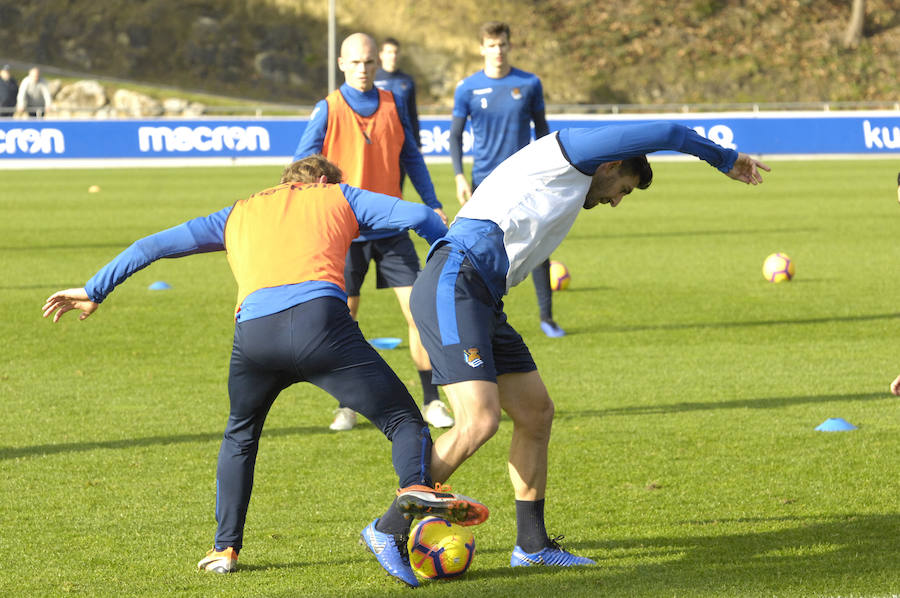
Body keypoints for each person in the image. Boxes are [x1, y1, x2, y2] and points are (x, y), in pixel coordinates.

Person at [41, 154, 489, 587]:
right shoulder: (339, 196)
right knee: (403, 421)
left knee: (241, 434)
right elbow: (420, 215)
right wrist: (443, 262)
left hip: (255, 337)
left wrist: (95, 288)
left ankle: (223, 551)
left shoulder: (238, 212)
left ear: (284, 181)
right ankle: (414, 489)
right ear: (325, 183)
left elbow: (151, 245)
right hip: (322, 327)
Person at [410, 122, 771, 567]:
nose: (616, 201)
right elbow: (673, 132)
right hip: (456, 280)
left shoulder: (576, 177)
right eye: (622, 189)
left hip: (483, 295)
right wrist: (726, 159)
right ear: (611, 165)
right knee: (478, 422)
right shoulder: (571, 152)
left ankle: (533, 547)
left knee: (536, 413)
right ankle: (388, 525)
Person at [294, 32, 455, 432]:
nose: (364, 69)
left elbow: (411, 156)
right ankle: (346, 405)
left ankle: (431, 400)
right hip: (345, 232)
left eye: (369, 62)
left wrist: (432, 200)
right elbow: (300, 164)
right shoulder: (328, 108)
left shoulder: (392, 102)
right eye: (356, 62)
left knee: (419, 311)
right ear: (342, 64)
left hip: (391, 228)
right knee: (344, 319)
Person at [449, 21, 563, 339]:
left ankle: (547, 318)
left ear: (509, 46)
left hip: (526, 178)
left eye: (502, 45)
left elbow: (543, 133)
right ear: (481, 48)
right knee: (485, 249)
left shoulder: (528, 83)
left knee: (537, 243)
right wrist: (459, 176)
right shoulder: (467, 88)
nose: (497, 51)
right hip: (485, 180)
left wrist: (553, 169)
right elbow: (455, 136)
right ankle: (482, 316)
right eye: (491, 45)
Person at [374, 37, 421, 191]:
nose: (392, 56)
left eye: (395, 52)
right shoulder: (373, 79)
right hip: (378, 143)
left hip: (401, 143)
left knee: (397, 189)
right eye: (388, 52)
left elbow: (413, 114)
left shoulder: (407, 81)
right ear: (381, 55)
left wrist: (417, 143)